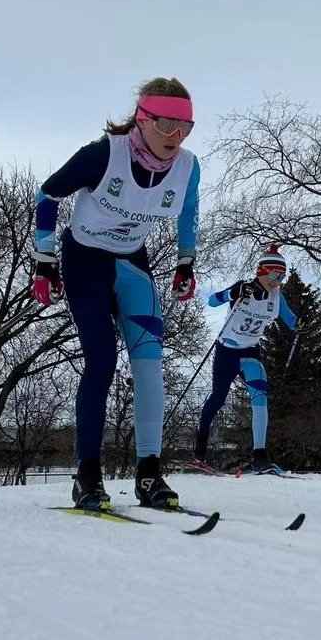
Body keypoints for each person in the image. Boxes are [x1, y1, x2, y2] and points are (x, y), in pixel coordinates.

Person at [32, 77, 201, 511]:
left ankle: (149, 474)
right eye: (166, 125)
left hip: (131, 265)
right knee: (102, 360)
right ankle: (87, 474)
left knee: (149, 364)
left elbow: (188, 210)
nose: (175, 137)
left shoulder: (187, 166)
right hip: (85, 263)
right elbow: (48, 193)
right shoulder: (103, 154)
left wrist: (186, 261)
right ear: (142, 120)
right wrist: (44, 260)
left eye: (185, 127)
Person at [194, 245, 298, 473]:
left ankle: (260, 456)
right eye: (273, 274)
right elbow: (212, 301)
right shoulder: (244, 288)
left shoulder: (277, 297)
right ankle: (200, 443)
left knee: (259, 397)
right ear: (261, 271)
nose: (277, 280)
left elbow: (292, 321)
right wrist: (232, 293)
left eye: (281, 276)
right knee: (218, 399)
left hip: (251, 352)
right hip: (226, 352)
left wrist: (301, 328)